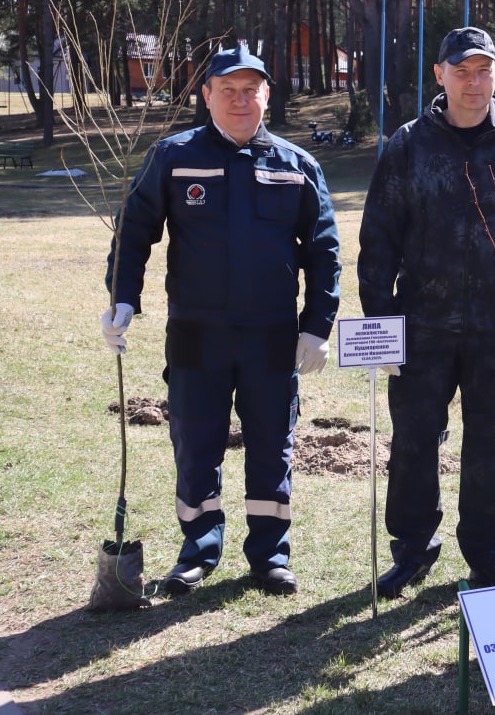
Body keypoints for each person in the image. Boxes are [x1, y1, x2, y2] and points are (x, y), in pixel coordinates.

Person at [101, 46, 341, 596]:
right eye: (227, 90)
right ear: (205, 94)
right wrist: (123, 297)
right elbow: (134, 231)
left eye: (250, 89)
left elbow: (323, 251)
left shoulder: (296, 165)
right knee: (195, 441)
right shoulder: (173, 156)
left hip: (273, 336)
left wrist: (317, 325)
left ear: (266, 96)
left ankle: (269, 555)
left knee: (271, 444)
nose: (240, 100)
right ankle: (198, 550)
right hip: (196, 334)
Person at [358, 27, 495, 598]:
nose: (473, 82)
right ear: (441, 75)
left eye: (484, 71)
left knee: (490, 444)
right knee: (415, 442)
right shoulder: (408, 145)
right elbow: (378, 240)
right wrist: (381, 326)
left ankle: (486, 553)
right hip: (422, 328)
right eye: (462, 71)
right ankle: (412, 549)